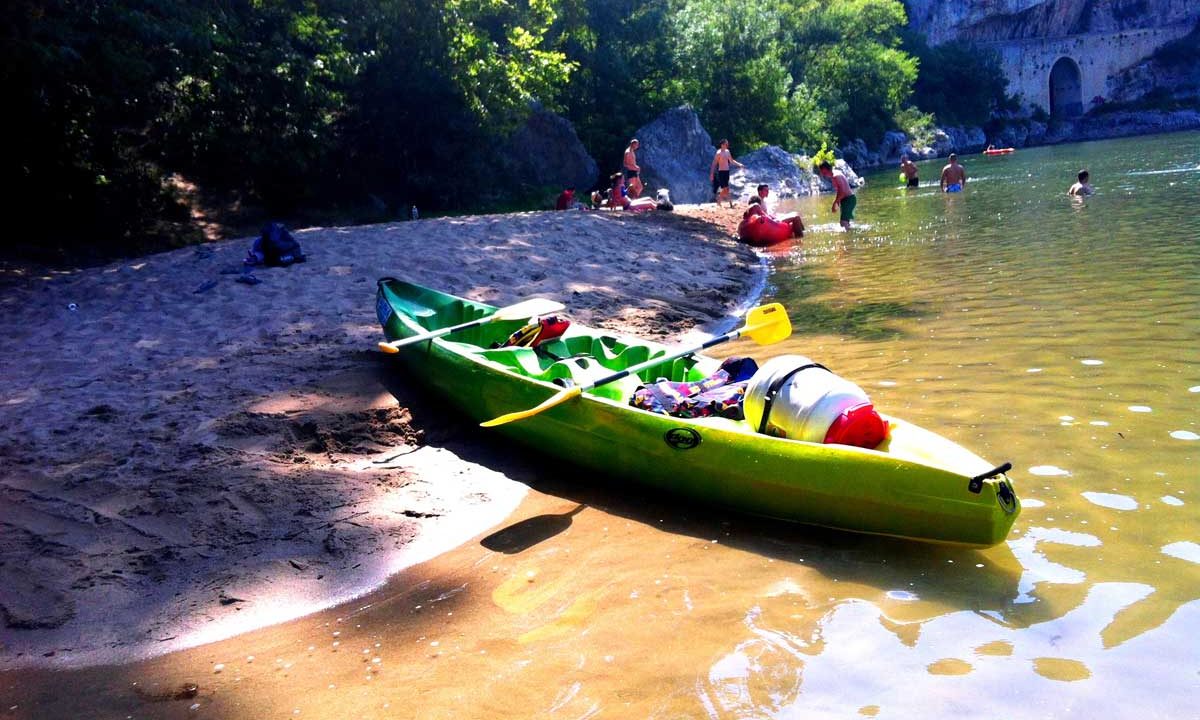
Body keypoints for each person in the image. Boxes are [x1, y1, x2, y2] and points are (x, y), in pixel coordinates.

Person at [818, 161, 856, 231]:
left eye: (822, 171)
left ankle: (848, 239)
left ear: (826, 168)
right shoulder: (835, 173)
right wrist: (838, 202)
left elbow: (843, 191)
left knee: (843, 223)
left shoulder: (836, 176)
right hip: (847, 200)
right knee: (846, 222)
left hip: (848, 200)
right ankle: (850, 235)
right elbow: (840, 190)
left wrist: (835, 202)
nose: (822, 174)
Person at [710, 139, 744, 208]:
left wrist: (739, 164)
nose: (727, 145)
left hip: (727, 171)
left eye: (727, 144)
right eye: (726, 144)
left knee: (726, 188)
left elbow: (731, 161)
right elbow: (714, 163)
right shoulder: (718, 153)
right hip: (721, 172)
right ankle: (730, 203)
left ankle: (719, 200)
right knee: (726, 188)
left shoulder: (727, 152)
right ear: (722, 145)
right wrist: (712, 174)